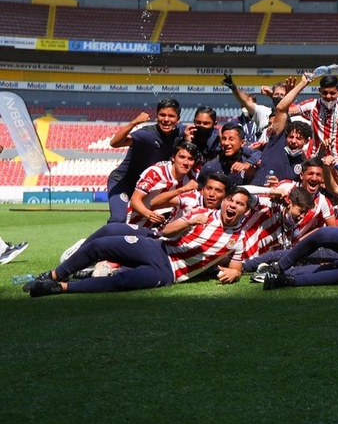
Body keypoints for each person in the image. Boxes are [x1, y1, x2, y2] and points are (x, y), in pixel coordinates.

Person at [26, 188, 254, 297]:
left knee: (121, 283)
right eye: (231, 200)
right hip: (159, 249)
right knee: (99, 246)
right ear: (224, 202)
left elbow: (235, 267)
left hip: (169, 275)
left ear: (245, 210)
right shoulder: (202, 213)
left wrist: (234, 274)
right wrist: (190, 223)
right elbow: (167, 230)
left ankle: (59, 288)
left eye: (240, 204)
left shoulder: (238, 239)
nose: (233, 206)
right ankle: (54, 275)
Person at [105, 99, 186, 223]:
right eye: (162, 115)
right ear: (157, 116)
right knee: (118, 219)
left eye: (171, 116)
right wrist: (134, 122)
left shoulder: (179, 133)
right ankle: (103, 242)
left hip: (146, 187)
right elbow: (114, 143)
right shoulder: (147, 134)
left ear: (178, 119)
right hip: (123, 182)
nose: (166, 119)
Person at [197, 122, 260, 186]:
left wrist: (248, 165)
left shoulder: (248, 165)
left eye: (231, 139)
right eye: (224, 139)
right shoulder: (210, 167)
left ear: (242, 143)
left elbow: (258, 154)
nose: (226, 143)